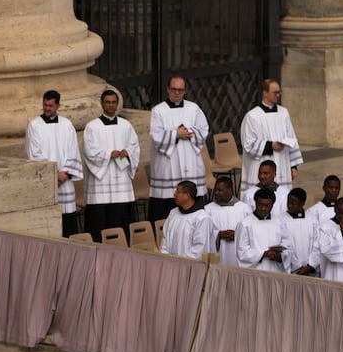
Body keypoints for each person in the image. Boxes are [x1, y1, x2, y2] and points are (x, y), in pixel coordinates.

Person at [148, 75, 209, 223]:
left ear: (185, 90)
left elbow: (204, 130)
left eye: (180, 90)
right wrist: (176, 134)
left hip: (190, 161)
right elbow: (156, 135)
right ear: (168, 89)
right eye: (174, 89)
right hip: (168, 164)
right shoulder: (158, 110)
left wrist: (188, 132)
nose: (177, 93)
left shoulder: (193, 108)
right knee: (167, 205)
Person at [82, 88, 140, 242]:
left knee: (120, 217)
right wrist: (109, 154)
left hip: (120, 178)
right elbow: (89, 151)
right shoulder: (92, 127)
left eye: (114, 102)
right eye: (107, 102)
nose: (111, 105)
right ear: (102, 104)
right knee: (100, 220)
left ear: (117, 104)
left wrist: (127, 152)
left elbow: (134, 146)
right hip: (101, 180)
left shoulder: (126, 125)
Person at [25, 90, 84, 236]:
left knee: (68, 222)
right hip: (47, 181)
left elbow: (73, 150)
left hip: (65, 181)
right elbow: (33, 154)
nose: (47, 108)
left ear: (58, 106)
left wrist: (65, 174)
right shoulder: (34, 125)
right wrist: (54, 174)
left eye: (51, 105)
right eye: (45, 105)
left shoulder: (67, 125)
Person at [239, 79, 300, 188]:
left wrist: (293, 166)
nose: (278, 95)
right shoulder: (252, 116)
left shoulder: (284, 113)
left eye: (279, 92)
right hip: (261, 165)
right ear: (265, 93)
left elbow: (291, 138)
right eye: (275, 92)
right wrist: (271, 145)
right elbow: (248, 144)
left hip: (282, 164)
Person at [158, 180, 216, 260]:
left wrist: (184, 263)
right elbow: (165, 238)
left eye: (178, 192)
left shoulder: (202, 218)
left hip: (190, 265)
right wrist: (165, 256)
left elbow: (200, 247)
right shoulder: (173, 213)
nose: (174, 194)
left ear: (187, 195)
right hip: (171, 262)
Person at [237, 187, 287, 271]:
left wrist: (279, 256)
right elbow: (241, 252)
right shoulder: (245, 223)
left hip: (276, 270)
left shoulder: (279, 222)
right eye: (260, 205)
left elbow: (287, 244)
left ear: (272, 205)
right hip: (255, 271)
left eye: (267, 206)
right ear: (255, 203)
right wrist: (263, 254)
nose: (263, 208)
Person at [204, 175, 250, 267]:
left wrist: (237, 234)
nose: (216, 193)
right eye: (215, 190)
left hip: (236, 253)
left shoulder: (244, 208)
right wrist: (218, 234)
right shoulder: (208, 209)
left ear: (229, 190)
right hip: (218, 252)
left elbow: (250, 231)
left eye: (220, 190)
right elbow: (204, 232)